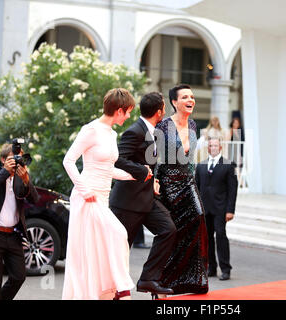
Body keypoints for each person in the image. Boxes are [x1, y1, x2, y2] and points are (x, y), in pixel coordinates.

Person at [62, 88, 136, 300]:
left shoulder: (112, 133)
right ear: (120, 111)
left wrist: (133, 176)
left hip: (102, 197)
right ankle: (121, 289)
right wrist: (84, 191)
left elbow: (107, 169)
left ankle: (105, 292)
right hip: (87, 197)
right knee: (118, 234)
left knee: (98, 249)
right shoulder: (91, 130)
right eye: (128, 111)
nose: (129, 116)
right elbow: (68, 161)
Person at [109, 92, 176, 299]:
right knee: (120, 252)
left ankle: (149, 278)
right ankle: (111, 291)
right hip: (127, 204)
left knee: (168, 230)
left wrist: (152, 179)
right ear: (159, 111)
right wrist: (143, 172)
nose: (164, 111)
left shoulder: (153, 131)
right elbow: (117, 159)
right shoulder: (134, 131)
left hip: (146, 199)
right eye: (164, 108)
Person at [155, 84, 209, 296]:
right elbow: (155, 157)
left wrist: (194, 182)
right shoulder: (163, 126)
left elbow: (191, 161)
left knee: (197, 219)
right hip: (168, 183)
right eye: (185, 96)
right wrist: (154, 181)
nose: (190, 100)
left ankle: (192, 281)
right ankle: (163, 280)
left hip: (188, 182)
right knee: (174, 231)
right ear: (174, 102)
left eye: (192, 96)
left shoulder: (194, 125)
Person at [0, 143, 39, 300]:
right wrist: (5, 173)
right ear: (3, 159)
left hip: (13, 235)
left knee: (19, 277)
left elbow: (35, 199)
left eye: (19, 159)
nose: (17, 163)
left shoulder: (21, 176)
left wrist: (26, 180)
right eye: (13, 159)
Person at [195, 137, 238, 281]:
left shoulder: (228, 165)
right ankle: (211, 268)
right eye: (211, 146)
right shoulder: (201, 166)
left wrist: (230, 210)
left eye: (215, 146)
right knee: (207, 239)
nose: (213, 148)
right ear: (208, 148)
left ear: (220, 148)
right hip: (205, 209)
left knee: (220, 236)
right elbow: (197, 189)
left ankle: (225, 269)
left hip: (220, 209)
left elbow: (233, 190)